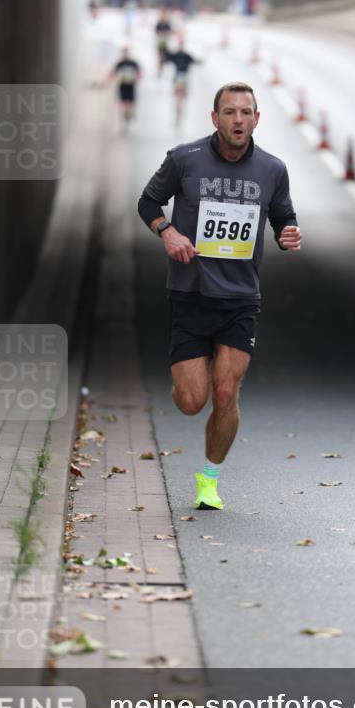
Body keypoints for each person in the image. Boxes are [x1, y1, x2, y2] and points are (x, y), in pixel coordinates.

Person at [137, 82, 302, 511]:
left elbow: (284, 218)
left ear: (257, 119)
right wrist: (167, 232)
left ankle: (208, 480)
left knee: (226, 392)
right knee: (193, 402)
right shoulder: (184, 159)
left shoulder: (272, 169)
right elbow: (148, 202)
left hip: (241, 298)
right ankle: (184, 381)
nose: (238, 120)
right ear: (215, 118)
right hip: (190, 293)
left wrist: (289, 235)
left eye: (246, 113)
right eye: (229, 112)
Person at [165, 41, 201, 126]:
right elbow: (167, 57)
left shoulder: (185, 55)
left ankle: (179, 115)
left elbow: (197, 61)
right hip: (180, 78)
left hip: (182, 78)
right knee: (179, 98)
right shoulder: (179, 55)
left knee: (180, 98)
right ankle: (178, 114)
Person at [107, 47, 141, 124]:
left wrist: (137, 78)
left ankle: (130, 113)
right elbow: (112, 72)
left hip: (131, 85)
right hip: (123, 85)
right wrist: (108, 81)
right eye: (124, 53)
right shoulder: (120, 63)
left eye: (126, 52)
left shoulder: (133, 63)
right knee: (123, 102)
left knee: (130, 101)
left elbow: (139, 72)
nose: (125, 54)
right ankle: (124, 115)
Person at [154, 10, 173, 76]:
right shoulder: (159, 24)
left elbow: (170, 32)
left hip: (165, 42)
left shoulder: (167, 24)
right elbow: (156, 32)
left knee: (165, 55)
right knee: (160, 55)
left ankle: (163, 68)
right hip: (160, 42)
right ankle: (160, 68)